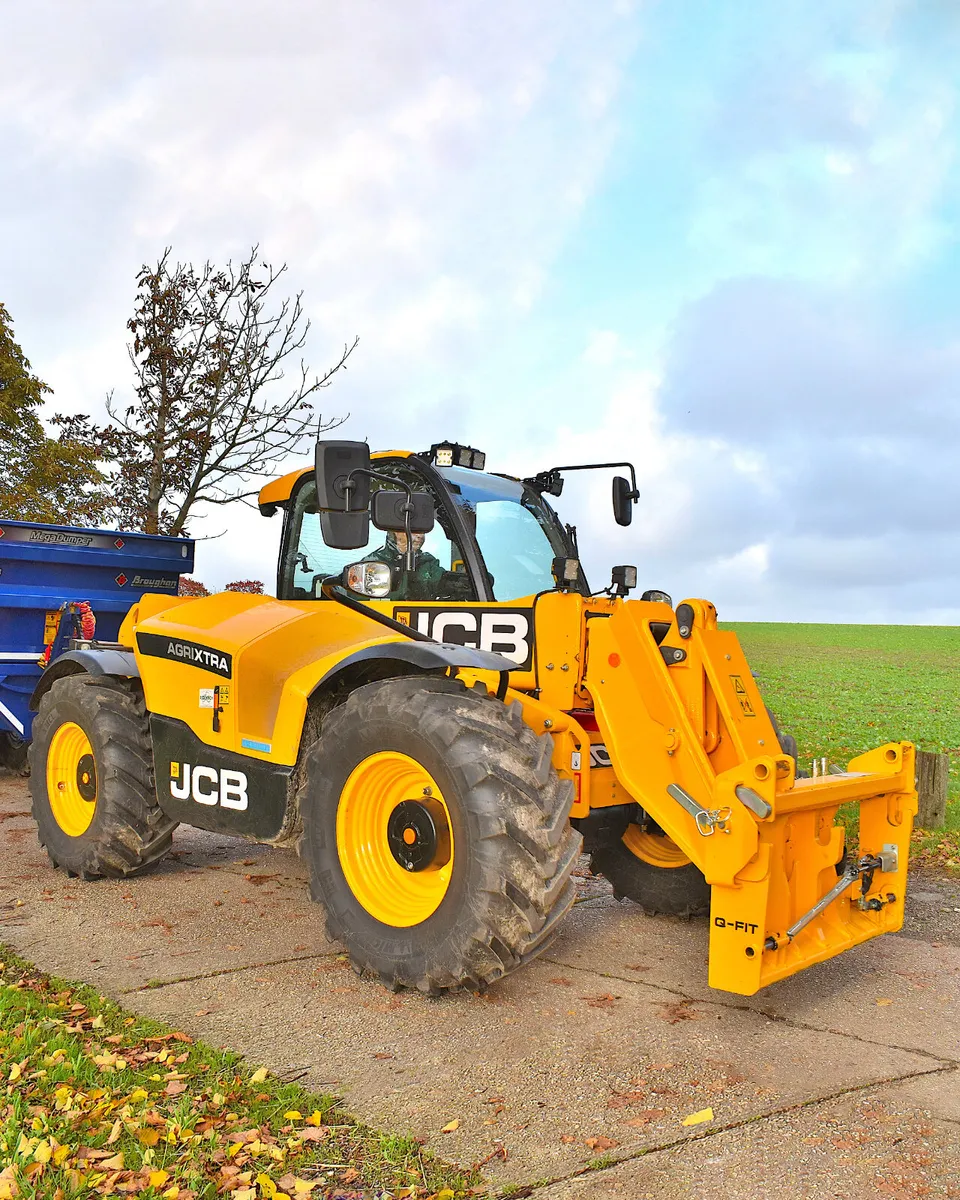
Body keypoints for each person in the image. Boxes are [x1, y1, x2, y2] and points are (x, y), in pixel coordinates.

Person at [362, 531, 447, 601]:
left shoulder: (428, 564)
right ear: (395, 532)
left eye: (422, 531)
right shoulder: (371, 565)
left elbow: (448, 584)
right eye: (413, 530)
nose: (420, 536)